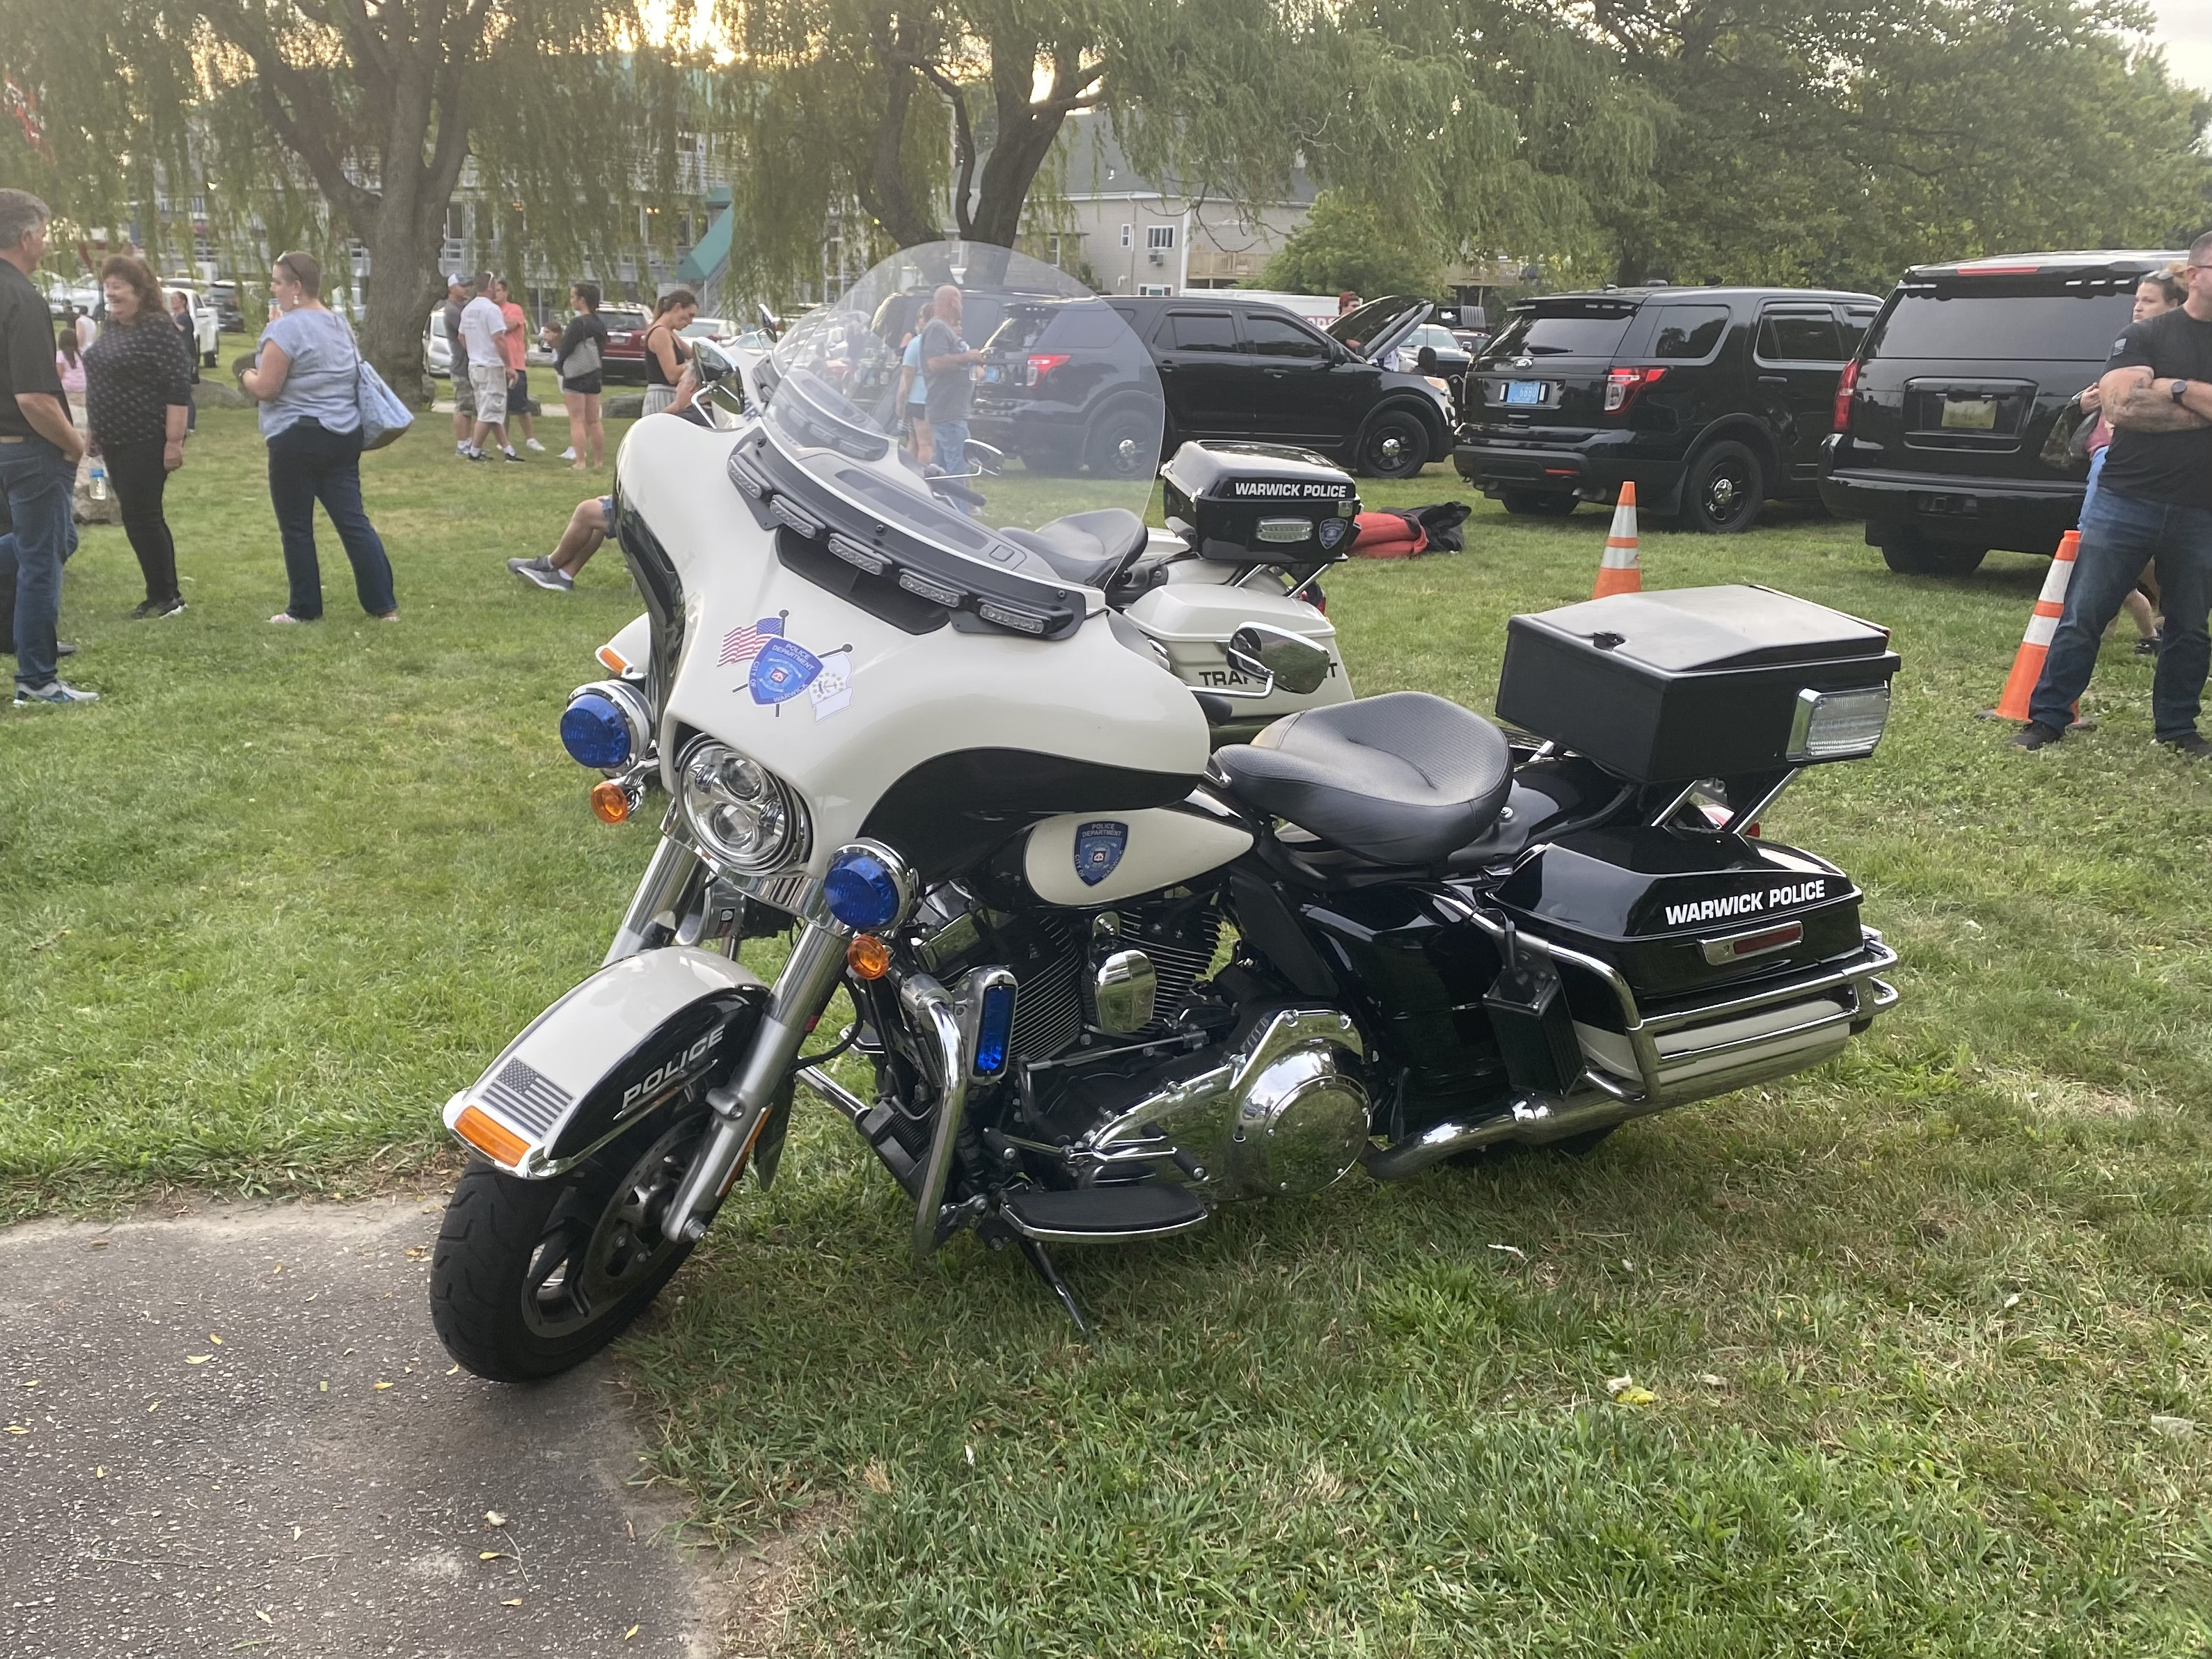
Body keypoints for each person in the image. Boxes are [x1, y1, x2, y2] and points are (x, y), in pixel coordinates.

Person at [2017, 230, 2212, 756]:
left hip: (2202, 508)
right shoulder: (2147, 336)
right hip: (2126, 498)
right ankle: (2048, 719)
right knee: (2085, 614)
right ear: (2195, 275)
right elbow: (2122, 407)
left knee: (2191, 627)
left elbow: (2142, 400)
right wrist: (2201, 405)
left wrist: (2170, 387)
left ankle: (2177, 728)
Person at [237, 249, 397, 625]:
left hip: (297, 435)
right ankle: (383, 605)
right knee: (353, 521)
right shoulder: (339, 324)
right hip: (344, 433)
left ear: (297, 287)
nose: (272, 288)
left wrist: (245, 374)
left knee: (296, 526)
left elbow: (268, 388)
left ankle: (305, 608)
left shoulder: (285, 329)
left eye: (277, 281)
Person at [0, 189, 95, 704]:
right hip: (29, 448)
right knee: (42, 560)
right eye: (43, 233)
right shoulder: (23, 299)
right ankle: (36, 679)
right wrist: (74, 443)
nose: (45, 243)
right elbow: (35, 396)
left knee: (56, 542)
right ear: (25, 236)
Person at [2077, 267, 2187, 655]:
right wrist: (2087, 402)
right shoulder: (2131, 343)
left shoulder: (2181, 348)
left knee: (2120, 549)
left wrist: (2158, 393)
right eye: (2136, 300)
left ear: (2175, 304)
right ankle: (2128, 627)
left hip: (2153, 468)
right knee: (2099, 544)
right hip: (2108, 458)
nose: (2138, 308)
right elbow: (2118, 398)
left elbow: (2140, 402)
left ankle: (2153, 626)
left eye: (2149, 301)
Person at [84, 254, 193, 619]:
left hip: (146, 437)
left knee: (145, 515)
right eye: (107, 286)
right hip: (113, 438)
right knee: (133, 516)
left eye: (118, 286)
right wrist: (93, 428)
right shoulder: (112, 326)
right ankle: (155, 592)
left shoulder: (158, 329)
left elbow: (177, 389)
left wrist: (174, 443)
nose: (110, 293)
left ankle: (169, 596)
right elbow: (102, 377)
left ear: (139, 290)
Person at [919, 283, 986, 476]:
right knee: (958, 467)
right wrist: (969, 357)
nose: (962, 308)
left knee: (940, 469)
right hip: (948, 412)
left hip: (948, 411)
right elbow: (935, 363)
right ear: (953, 302)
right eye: (961, 302)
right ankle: (957, 507)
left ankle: (935, 501)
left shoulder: (942, 328)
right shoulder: (938, 328)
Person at [548, 281, 608, 469]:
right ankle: (598, 461)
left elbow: (565, 349)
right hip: (593, 373)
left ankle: (580, 461)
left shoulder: (577, 323)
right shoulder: (599, 323)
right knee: (594, 420)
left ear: (582, 300)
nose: (572, 300)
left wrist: (559, 365)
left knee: (576, 419)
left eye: (574, 296)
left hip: (575, 375)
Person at [458, 271, 512, 462]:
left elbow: (461, 337)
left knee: (488, 408)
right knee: (490, 411)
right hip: (491, 366)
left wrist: (475, 350)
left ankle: (508, 450)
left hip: (475, 365)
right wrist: (509, 366)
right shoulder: (492, 310)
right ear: (490, 286)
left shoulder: (467, 309)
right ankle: (474, 451)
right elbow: (499, 339)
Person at [492, 277, 540, 454]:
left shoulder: (515, 309)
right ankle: (503, 439)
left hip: (515, 364)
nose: (495, 294)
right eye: (493, 290)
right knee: (500, 405)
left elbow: (510, 325)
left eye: (498, 290)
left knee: (521, 405)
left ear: (505, 292)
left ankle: (531, 438)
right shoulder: (491, 310)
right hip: (496, 364)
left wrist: (494, 321)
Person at [641, 289, 696, 417]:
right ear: (677, 307)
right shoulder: (660, 332)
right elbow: (671, 375)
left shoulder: (670, 333)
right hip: (662, 396)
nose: (691, 322)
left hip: (671, 395)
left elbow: (693, 355)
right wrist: (693, 366)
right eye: (690, 315)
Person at [441, 274, 477, 457]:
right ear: (452, 288)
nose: (467, 289)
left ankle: (468, 441)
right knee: (463, 406)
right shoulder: (453, 311)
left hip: (468, 364)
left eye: (468, 286)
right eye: (463, 286)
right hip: (461, 365)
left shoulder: (463, 308)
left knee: (468, 407)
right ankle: (462, 444)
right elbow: (468, 334)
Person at [896, 298, 933, 463]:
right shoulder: (943, 343)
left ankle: (918, 478)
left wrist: (901, 399)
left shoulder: (916, 344)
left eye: (921, 317)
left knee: (922, 443)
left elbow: (907, 375)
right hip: (935, 398)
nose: (919, 321)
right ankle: (911, 475)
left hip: (917, 399)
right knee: (919, 442)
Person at [167, 289, 200, 433]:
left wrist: (168, 320)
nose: (172, 301)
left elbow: (180, 330)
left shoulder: (185, 318)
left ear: (183, 302)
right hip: (176, 358)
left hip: (185, 359)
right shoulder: (176, 317)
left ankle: (190, 425)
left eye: (175, 299)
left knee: (185, 392)